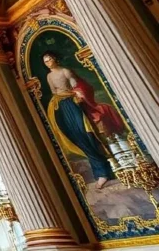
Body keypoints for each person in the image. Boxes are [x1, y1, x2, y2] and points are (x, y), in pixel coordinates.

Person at [43, 51, 124, 189]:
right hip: (61, 105)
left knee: (86, 134)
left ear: (55, 58)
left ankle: (104, 172)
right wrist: (60, 97)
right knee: (75, 137)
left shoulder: (65, 71)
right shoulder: (49, 76)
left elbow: (76, 87)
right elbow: (54, 91)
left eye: (50, 59)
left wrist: (77, 95)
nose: (48, 62)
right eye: (46, 61)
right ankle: (101, 172)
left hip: (73, 103)